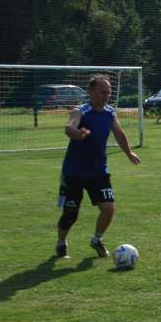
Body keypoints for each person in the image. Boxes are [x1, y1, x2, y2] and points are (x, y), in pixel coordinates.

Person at [56, 75, 141, 259]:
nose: (107, 95)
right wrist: (77, 133)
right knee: (71, 214)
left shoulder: (110, 113)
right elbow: (69, 128)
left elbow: (119, 133)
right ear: (92, 91)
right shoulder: (80, 111)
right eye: (103, 91)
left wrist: (129, 153)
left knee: (109, 208)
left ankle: (97, 239)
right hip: (74, 172)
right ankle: (61, 243)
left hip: (98, 171)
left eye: (109, 92)